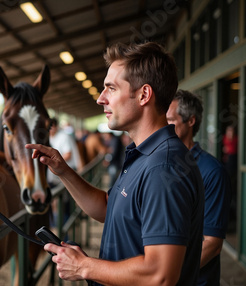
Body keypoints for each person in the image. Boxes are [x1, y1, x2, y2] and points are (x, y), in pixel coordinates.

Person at [26, 41, 204, 285]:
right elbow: (110, 208)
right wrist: (63, 171)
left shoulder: (163, 167)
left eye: (111, 88)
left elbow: (160, 274)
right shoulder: (144, 155)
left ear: (144, 95)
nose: (100, 99)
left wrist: (83, 266)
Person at [167, 89, 231, 286]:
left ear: (191, 121)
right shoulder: (159, 164)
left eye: (170, 120)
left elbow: (211, 244)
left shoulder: (212, 171)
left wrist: (168, 276)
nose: (162, 126)